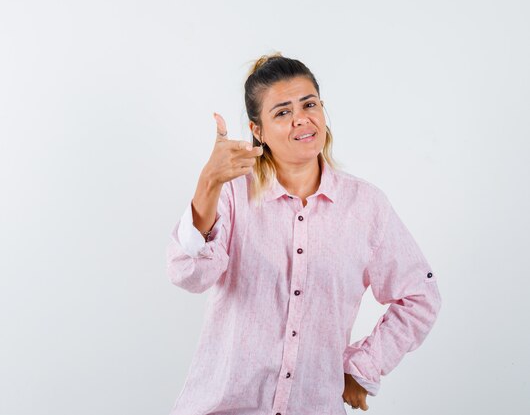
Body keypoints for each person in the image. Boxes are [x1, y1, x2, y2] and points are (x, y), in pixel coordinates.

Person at [165, 53, 442, 415]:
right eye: (281, 112)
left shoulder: (366, 206)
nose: (301, 119)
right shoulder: (234, 194)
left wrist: (364, 366)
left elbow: (420, 295)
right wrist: (209, 183)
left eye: (309, 104)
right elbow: (189, 275)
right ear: (257, 131)